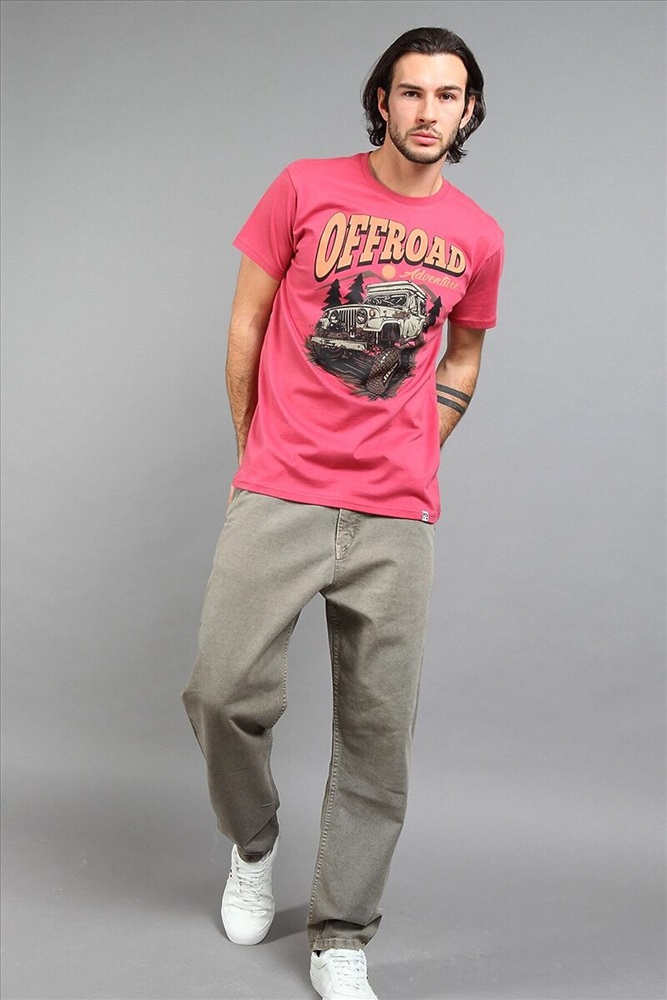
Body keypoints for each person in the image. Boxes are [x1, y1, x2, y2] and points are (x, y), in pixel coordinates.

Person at [182, 25, 504, 1000]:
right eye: (410, 92)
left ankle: (340, 933)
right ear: (380, 101)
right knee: (221, 693)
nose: (426, 111)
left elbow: (463, 354)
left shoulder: (478, 235)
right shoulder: (303, 187)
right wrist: (254, 452)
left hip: (395, 513)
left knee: (377, 733)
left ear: (468, 111)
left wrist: (422, 440)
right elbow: (246, 321)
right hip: (281, 485)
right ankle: (253, 841)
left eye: (445, 95)